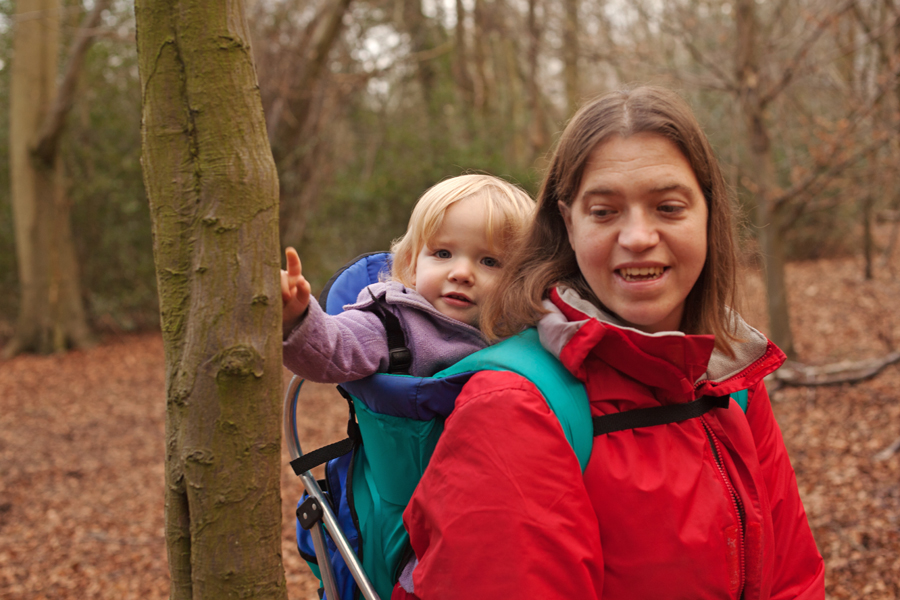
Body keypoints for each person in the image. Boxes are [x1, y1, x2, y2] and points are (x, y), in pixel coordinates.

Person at [393, 87, 825, 599]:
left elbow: (793, 579)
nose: (639, 236)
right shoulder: (514, 408)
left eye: (668, 207)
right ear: (567, 224)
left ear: (708, 214)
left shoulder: (730, 378)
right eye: (604, 211)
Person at [281, 174, 534, 382]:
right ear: (412, 266)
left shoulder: (527, 329)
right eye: (443, 253)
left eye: (489, 261)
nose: (461, 274)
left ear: (517, 281)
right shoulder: (392, 322)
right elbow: (333, 351)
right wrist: (295, 318)